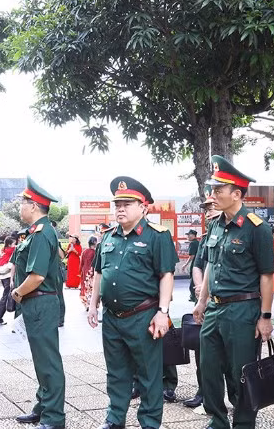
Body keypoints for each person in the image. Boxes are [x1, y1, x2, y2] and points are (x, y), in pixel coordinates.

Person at [192, 155, 274, 429]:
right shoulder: (215, 225)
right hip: (214, 309)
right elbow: (212, 267)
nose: (212, 195)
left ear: (236, 193)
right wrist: (202, 301)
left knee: (242, 372)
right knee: (208, 370)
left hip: (242, 310)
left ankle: (243, 422)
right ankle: (217, 420)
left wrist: (265, 316)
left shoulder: (257, 228)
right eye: (212, 190)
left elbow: (267, 275)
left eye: (218, 190)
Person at [87, 177, 177, 429]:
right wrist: (93, 305)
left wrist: (163, 312)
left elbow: (166, 275)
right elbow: (99, 273)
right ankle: (115, 419)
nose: (121, 209)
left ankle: (149, 422)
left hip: (143, 316)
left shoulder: (157, 236)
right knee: (116, 372)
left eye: (127, 203)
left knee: (148, 374)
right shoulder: (107, 237)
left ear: (144, 207)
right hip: (112, 317)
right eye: (117, 204)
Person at [11, 177, 65, 429]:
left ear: (33, 206)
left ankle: (54, 417)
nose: (20, 206)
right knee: (41, 361)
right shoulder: (36, 233)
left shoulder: (43, 234)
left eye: (23, 202)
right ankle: (43, 407)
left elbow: (37, 276)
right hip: (37, 303)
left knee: (48, 362)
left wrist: (17, 293)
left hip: (40, 302)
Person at [182, 185, 225, 409]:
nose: (208, 212)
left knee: (233, 359)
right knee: (204, 355)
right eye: (206, 209)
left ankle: (238, 397)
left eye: (212, 207)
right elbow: (199, 265)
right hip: (206, 305)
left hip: (232, 305)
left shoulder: (246, 230)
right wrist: (200, 288)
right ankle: (204, 392)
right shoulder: (209, 237)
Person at [0, 236, 16, 325]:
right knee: (5, 297)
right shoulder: (12, 250)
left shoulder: (3, 250)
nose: (15, 245)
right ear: (9, 244)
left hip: (3, 277)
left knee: (5, 296)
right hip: (8, 277)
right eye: (14, 243)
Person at [79, 236, 97, 308]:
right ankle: (92, 304)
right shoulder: (95, 252)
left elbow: (81, 263)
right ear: (94, 242)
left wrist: (81, 271)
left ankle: (86, 304)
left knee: (85, 287)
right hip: (92, 272)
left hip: (84, 271)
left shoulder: (84, 251)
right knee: (92, 288)